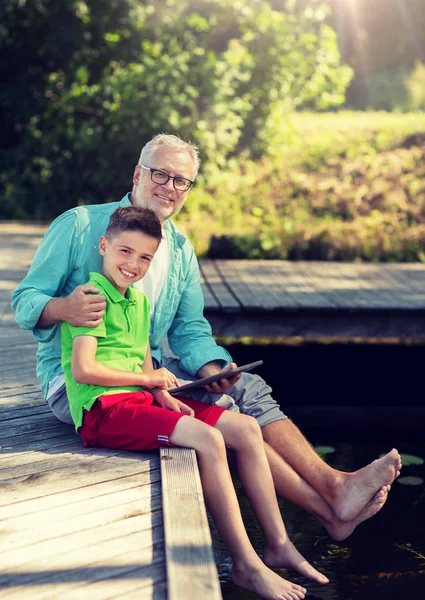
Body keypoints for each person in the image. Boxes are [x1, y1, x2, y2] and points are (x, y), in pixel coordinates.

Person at [12, 133, 401, 543]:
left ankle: (333, 499)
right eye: (161, 174)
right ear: (137, 174)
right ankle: (330, 503)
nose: (170, 187)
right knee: (231, 411)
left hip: (145, 374)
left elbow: (190, 329)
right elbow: (25, 300)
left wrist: (211, 367)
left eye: (182, 181)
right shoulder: (81, 225)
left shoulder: (179, 249)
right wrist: (63, 308)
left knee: (245, 386)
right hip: (81, 384)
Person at [61, 204, 330, 599]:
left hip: (141, 401)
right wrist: (147, 379)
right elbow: (84, 369)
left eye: (144, 258)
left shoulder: (137, 301)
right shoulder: (90, 297)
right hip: (104, 411)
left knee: (246, 427)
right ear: (104, 245)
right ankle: (246, 565)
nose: (133, 264)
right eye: (124, 251)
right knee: (209, 439)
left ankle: (278, 544)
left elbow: (143, 358)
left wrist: (161, 393)